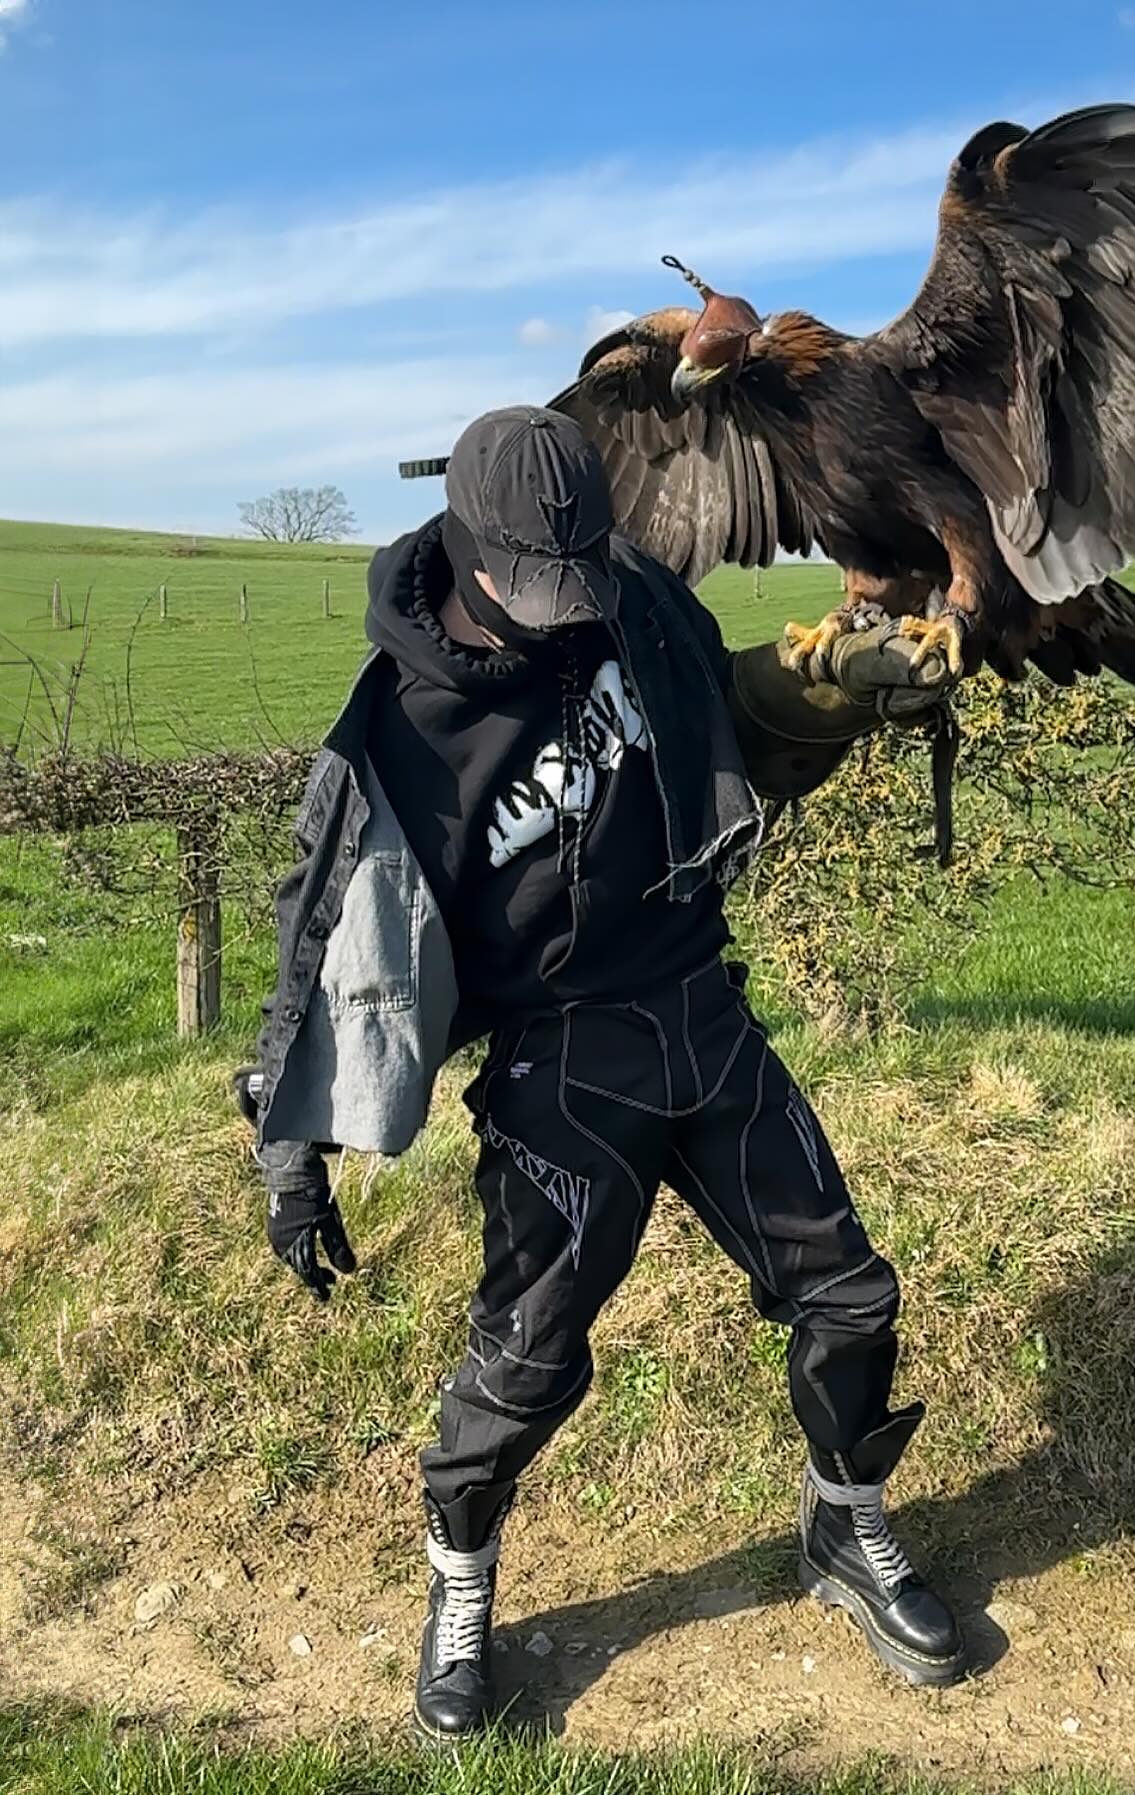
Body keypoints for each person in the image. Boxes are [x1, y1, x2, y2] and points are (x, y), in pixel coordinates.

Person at [236, 406, 964, 1746]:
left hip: (699, 1005)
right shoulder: (397, 730)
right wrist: (289, 1146)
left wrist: (839, 688)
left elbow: (723, 707)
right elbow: (318, 931)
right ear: (469, 551)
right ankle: (461, 1595)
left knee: (853, 1299)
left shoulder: (626, 596)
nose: (575, 615)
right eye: (542, 589)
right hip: (560, 1064)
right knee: (521, 1370)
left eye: (589, 579)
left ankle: (844, 1530)